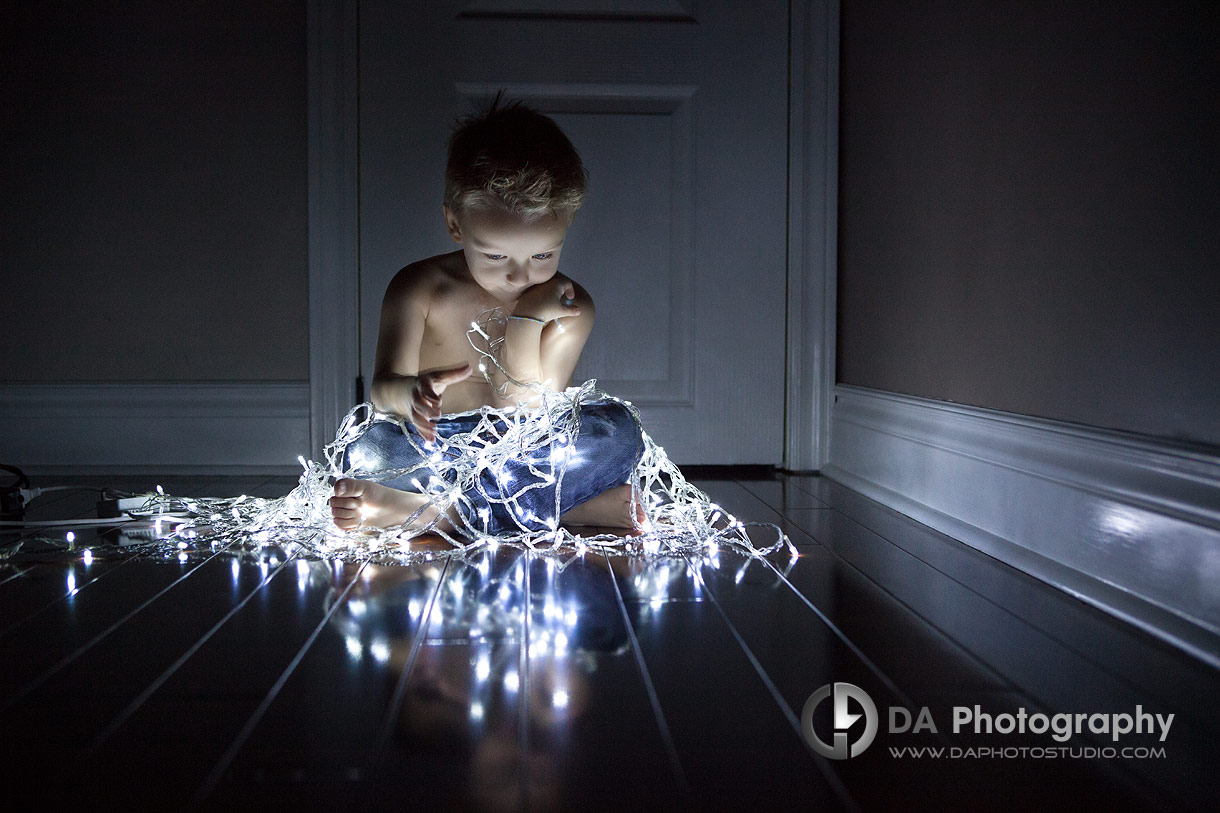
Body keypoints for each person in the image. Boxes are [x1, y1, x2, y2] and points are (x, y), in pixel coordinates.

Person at [329, 98, 645, 536]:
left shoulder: (569, 305)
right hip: (433, 447)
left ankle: (437, 513)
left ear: (566, 227)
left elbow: (523, 410)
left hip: (525, 448)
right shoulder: (419, 287)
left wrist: (527, 322)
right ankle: (566, 509)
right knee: (368, 452)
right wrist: (412, 396)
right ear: (456, 225)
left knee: (618, 432)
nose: (519, 274)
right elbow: (382, 390)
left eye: (542, 254)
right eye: (495, 254)